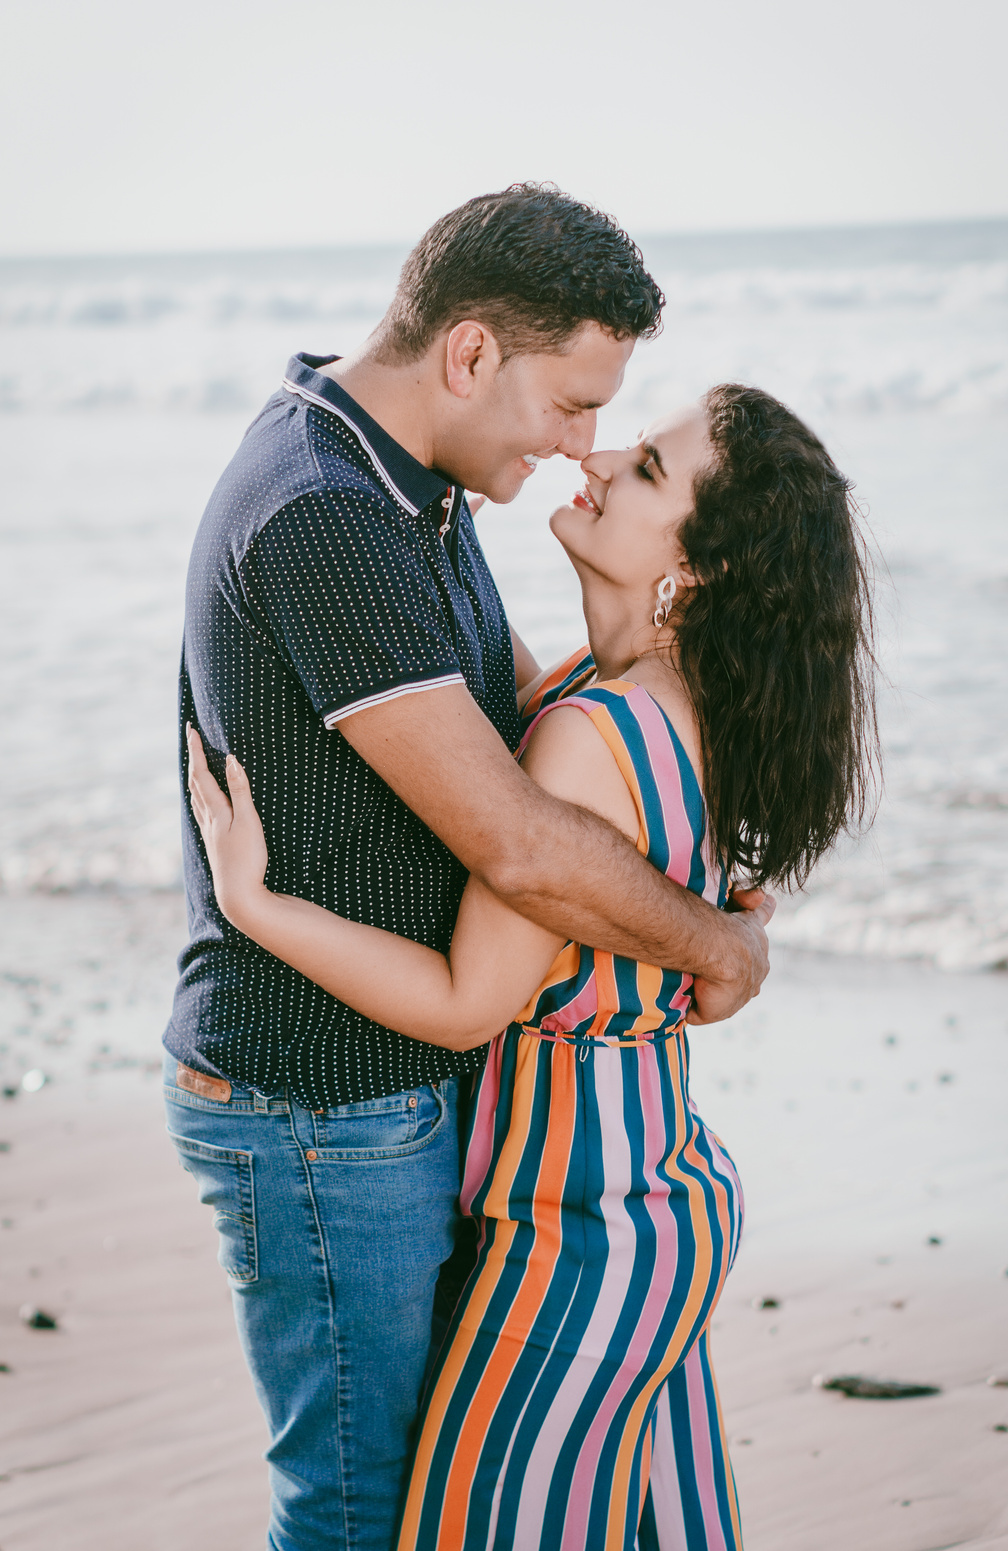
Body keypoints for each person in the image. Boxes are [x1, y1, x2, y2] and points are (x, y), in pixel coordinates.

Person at [163, 185, 773, 1551]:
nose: (581, 447)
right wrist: (715, 950)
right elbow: (511, 833)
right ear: (469, 354)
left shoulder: (404, 482)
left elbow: (504, 704)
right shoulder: (327, 515)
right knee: (357, 1510)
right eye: (568, 403)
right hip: (318, 1097)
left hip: (388, 1093)